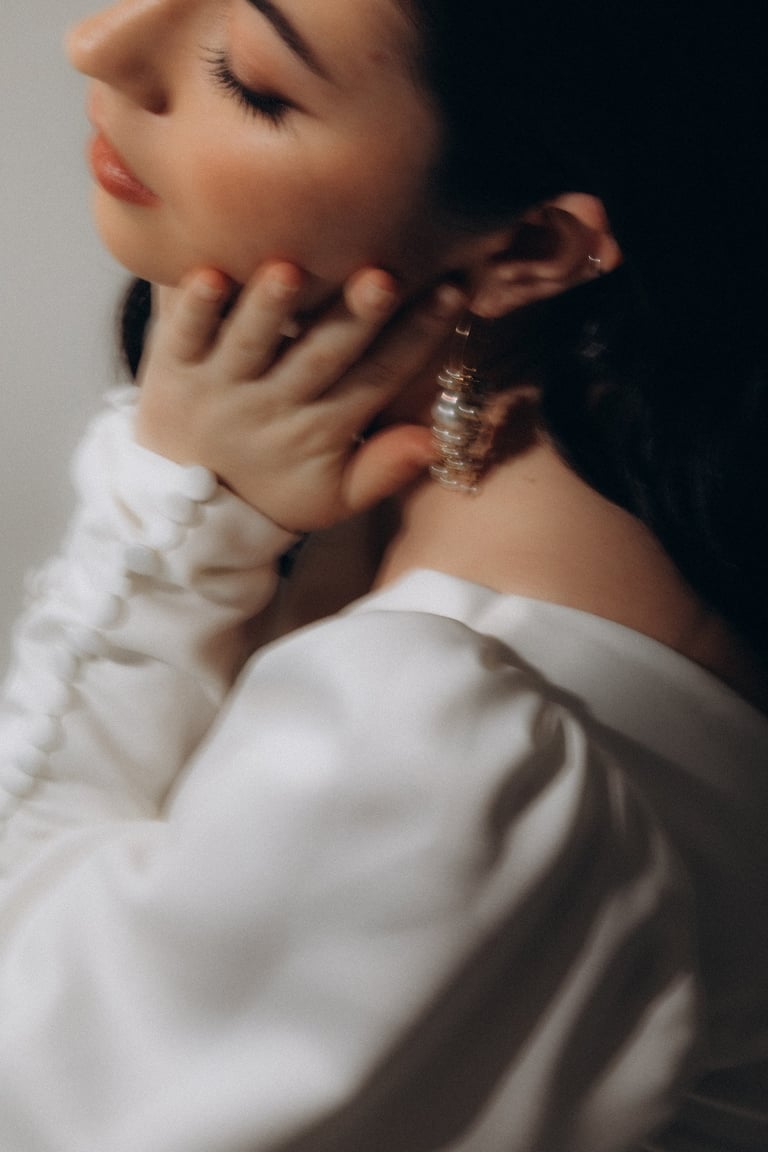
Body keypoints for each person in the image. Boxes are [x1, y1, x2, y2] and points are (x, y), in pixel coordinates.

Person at [1, 0, 766, 1149]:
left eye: (246, 76)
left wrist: (167, 536)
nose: (99, 44)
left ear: (529, 251)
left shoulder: (422, 761)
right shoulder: (613, 445)